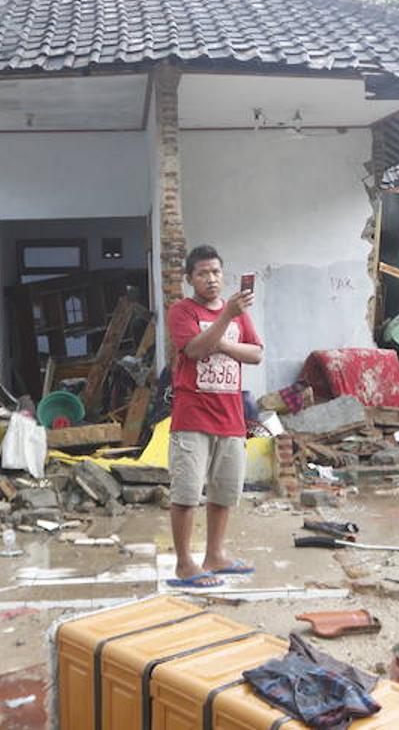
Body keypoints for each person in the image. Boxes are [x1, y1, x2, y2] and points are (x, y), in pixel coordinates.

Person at [165, 244, 264, 588]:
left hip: (231, 416)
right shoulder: (181, 311)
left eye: (216, 272)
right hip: (193, 416)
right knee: (187, 493)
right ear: (190, 278)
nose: (211, 279)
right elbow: (193, 349)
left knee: (224, 492)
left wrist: (222, 342)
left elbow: (256, 353)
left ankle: (215, 555)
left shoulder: (238, 312)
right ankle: (184, 563)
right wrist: (224, 320)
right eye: (203, 273)